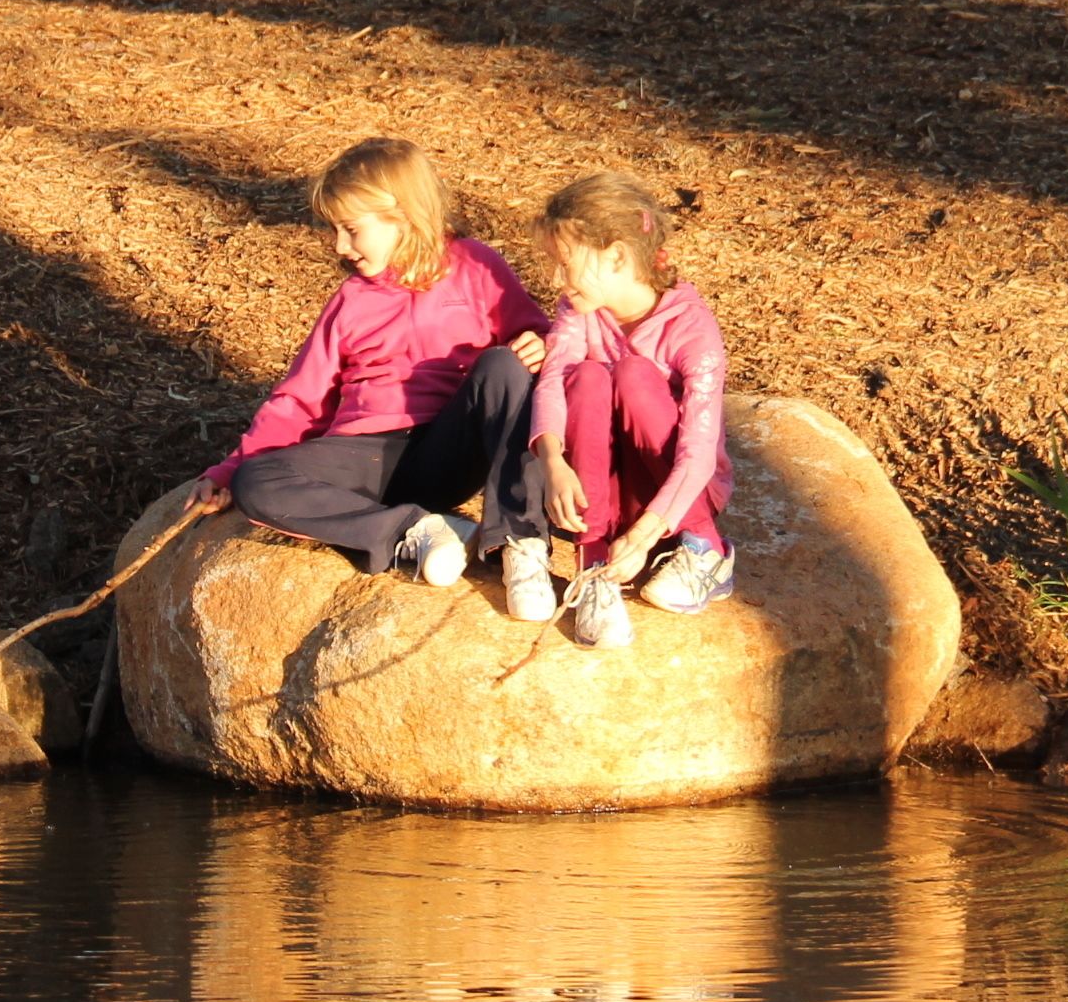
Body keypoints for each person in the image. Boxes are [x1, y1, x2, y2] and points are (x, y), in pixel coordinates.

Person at [193, 137, 550, 591]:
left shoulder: (476, 266)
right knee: (256, 481)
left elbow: (538, 337)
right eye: (334, 231)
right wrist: (227, 471)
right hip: (362, 460)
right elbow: (299, 402)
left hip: (446, 451)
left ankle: (520, 543)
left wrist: (542, 342)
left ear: (402, 215)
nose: (340, 245)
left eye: (352, 229)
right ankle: (415, 533)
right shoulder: (351, 300)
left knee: (505, 365)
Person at [526, 171, 734, 647]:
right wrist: (552, 459)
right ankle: (592, 565)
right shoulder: (578, 310)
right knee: (588, 376)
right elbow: (554, 378)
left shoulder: (692, 330)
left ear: (617, 255)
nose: (556, 279)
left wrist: (643, 537)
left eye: (565, 263)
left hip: (673, 498)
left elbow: (698, 454)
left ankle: (706, 549)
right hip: (603, 492)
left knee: (635, 375)